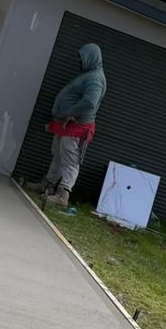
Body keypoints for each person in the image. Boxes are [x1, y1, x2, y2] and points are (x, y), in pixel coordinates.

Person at [36, 42, 106, 207]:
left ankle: (62, 196)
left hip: (77, 126)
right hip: (67, 125)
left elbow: (90, 102)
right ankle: (46, 186)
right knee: (59, 156)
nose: (79, 62)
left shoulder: (95, 78)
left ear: (91, 58)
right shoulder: (88, 74)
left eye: (82, 58)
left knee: (70, 160)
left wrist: (70, 113)